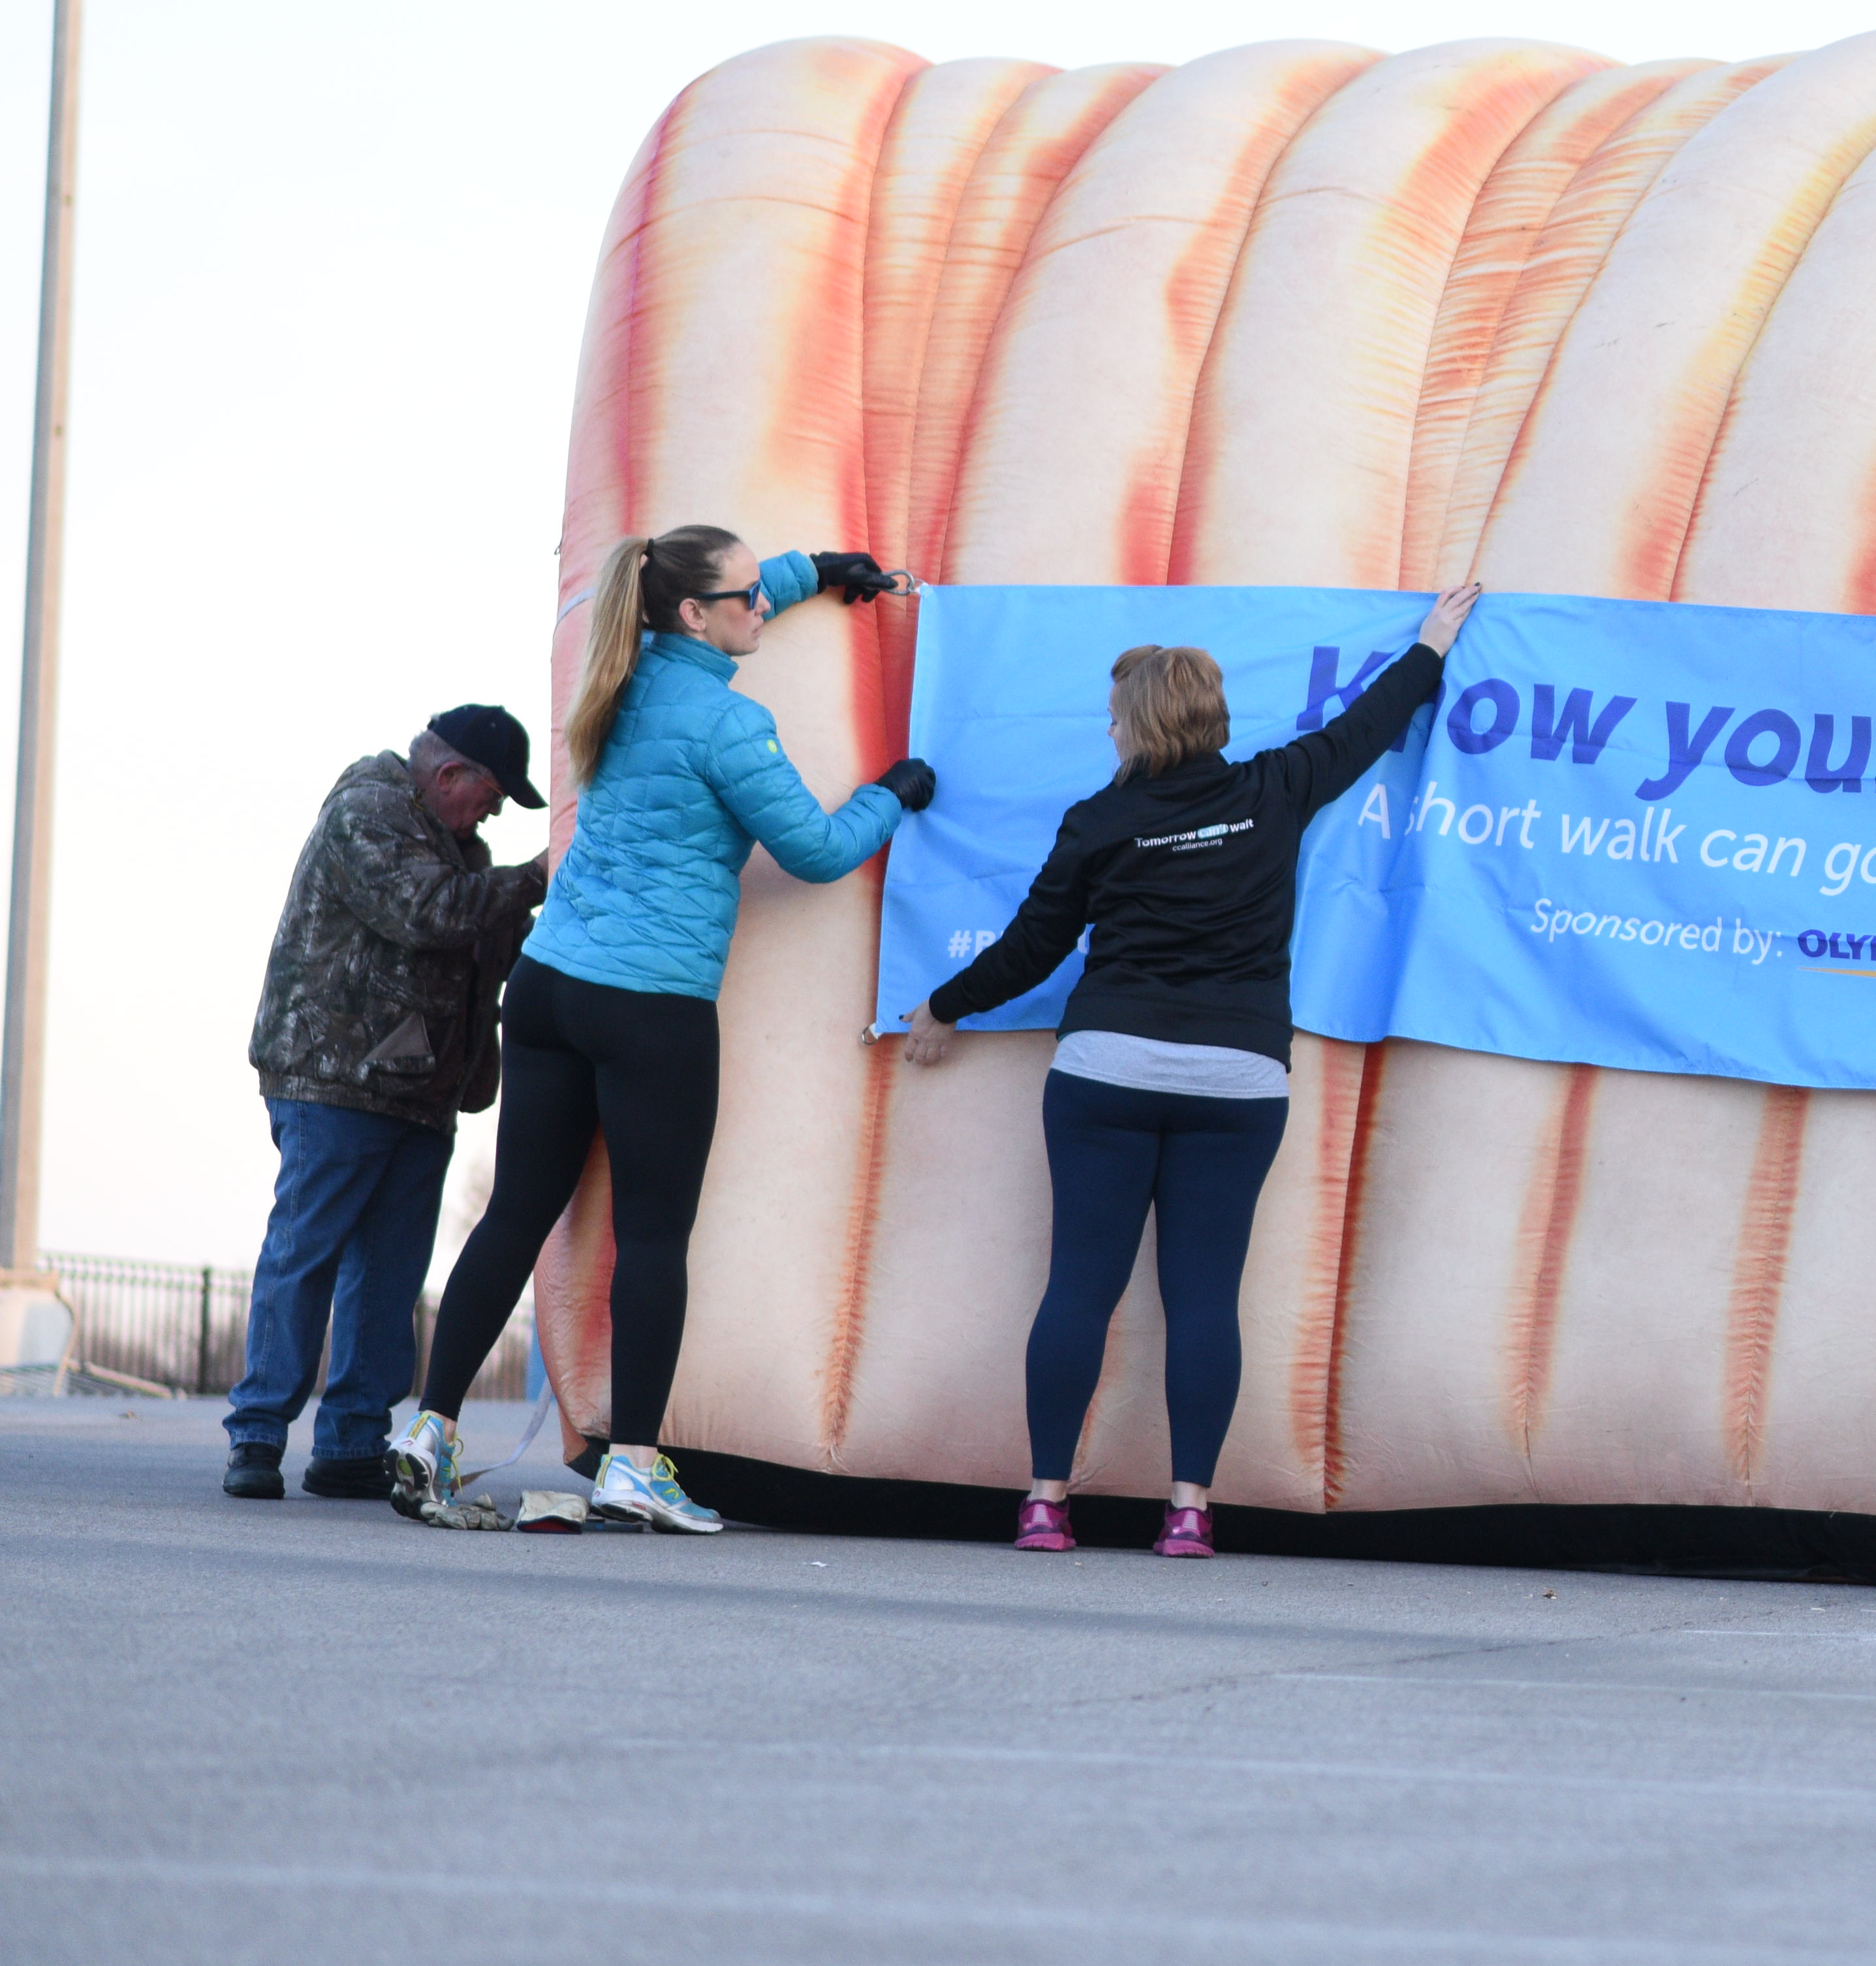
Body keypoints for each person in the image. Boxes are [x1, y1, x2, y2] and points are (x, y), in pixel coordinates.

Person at [902, 585, 1475, 1559]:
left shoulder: (1098, 820)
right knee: (1205, 1299)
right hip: (1238, 1081)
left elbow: (1033, 947)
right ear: (1211, 720)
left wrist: (941, 1007)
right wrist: (1431, 645)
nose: (1108, 729)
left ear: (1132, 727)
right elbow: (1374, 721)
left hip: (1107, 1073)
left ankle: (1045, 1503)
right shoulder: (1277, 788)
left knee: (1081, 1286)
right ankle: (1190, 1511)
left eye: (1114, 716)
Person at [385, 527, 931, 1533]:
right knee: (653, 1236)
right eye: (746, 600)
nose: (759, 610)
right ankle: (634, 1464)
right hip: (651, 1006)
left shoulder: (619, 673)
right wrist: (890, 797)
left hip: (551, 987)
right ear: (694, 614)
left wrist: (816, 572)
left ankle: (429, 1429)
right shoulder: (731, 725)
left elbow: (721, 588)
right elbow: (812, 851)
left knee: (514, 1216)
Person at [220, 706, 554, 1503]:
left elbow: (476, 934)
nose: (495, 812)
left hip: (416, 1092)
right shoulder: (366, 813)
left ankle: (351, 1444)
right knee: (307, 1254)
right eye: (492, 794)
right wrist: (535, 879)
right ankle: (259, 1436)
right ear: (450, 776)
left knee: (390, 1278)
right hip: (335, 1081)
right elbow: (426, 912)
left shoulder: (454, 846)